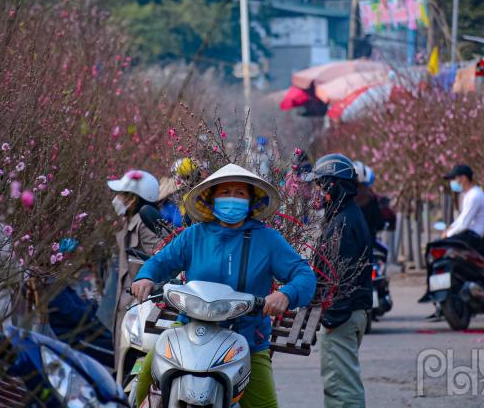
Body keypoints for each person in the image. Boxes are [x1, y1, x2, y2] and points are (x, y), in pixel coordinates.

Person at [131, 163, 316, 408]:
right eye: (225, 192)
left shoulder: (268, 240)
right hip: (189, 331)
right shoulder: (193, 236)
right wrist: (145, 277)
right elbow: (161, 262)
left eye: (239, 193)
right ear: (212, 199)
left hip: (247, 338)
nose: (232, 199)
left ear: (251, 202)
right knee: (146, 375)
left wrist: (285, 294)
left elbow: (304, 275)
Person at [309, 153, 373, 408]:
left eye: (319, 185)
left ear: (332, 185)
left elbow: (340, 278)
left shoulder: (343, 224)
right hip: (348, 315)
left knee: (342, 391)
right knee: (340, 386)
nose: (316, 192)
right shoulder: (344, 216)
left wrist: (331, 318)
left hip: (342, 318)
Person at [108, 169, 163, 371]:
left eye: (122, 195)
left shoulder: (145, 224)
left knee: (129, 367)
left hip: (138, 308)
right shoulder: (130, 221)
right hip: (126, 304)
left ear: (133, 199)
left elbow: (162, 258)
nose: (117, 199)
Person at [442, 164, 484, 252]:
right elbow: (461, 218)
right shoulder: (469, 194)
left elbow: (464, 223)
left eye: (453, 179)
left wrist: (448, 234)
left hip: (472, 236)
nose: (451, 182)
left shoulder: (474, 195)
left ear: (463, 178)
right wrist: (450, 228)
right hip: (468, 234)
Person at [353, 161, 384, 247]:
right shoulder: (371, 200)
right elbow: (379, 223)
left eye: (362, 186)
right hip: (368, 245)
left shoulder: (345, 204)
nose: (360, 191)